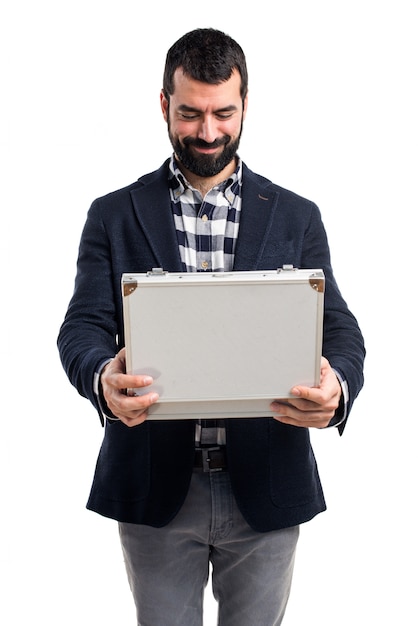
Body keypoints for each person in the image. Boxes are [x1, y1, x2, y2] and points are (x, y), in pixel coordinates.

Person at [58, 28, 365, 626]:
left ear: (246, 105)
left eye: (223, 113)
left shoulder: (297, 216)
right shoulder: (113, 214)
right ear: (164, 105)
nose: (207, 132)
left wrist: (339, 388)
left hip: (267, 482)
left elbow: (340, 329)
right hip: (154, 484)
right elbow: (82, 326)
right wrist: (102, 376)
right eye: (190, 113)